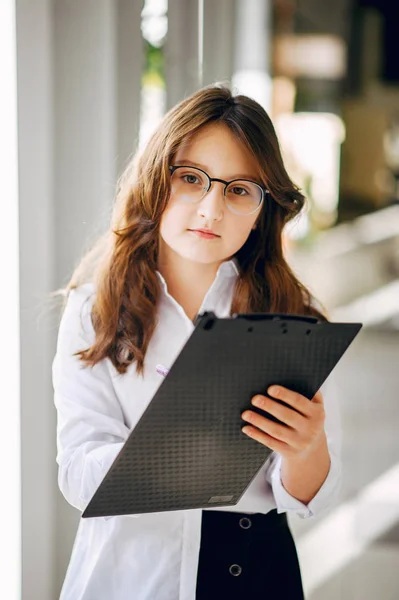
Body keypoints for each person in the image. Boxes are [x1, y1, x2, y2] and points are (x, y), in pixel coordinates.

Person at [52, 84, 342, 600]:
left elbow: (303, 496)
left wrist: (307, 447)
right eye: (190, 179)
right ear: (155, 181)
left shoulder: (293, 317)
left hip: (255, 568)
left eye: (239, 190)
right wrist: (173, 450)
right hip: (130, 574)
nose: (211, 210)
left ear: (263, 208)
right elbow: (76, 474)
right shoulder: (95, 309)